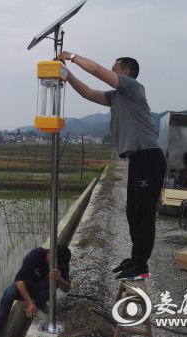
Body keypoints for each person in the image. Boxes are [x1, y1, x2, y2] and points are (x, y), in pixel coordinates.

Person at [56, 52, 167, 280]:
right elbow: (87, 93)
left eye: (114, 69)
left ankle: (141, 267)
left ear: (126, 72)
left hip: (149, 158)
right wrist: (64, 73)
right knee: (132, 213)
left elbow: (96, 70)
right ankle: (135, 260)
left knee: (143, 216)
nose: (111, 71)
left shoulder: (133, 87)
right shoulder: (117, 96)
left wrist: (71, 56)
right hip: (138, 160)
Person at [0, 245, 71, 336]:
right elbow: (19, 281)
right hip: (29, 285)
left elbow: (66, 289)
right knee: (9, 292)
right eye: (55, 263)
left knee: (51, 282)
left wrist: (59, 279)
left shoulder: (62, 262)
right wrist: (30, 303)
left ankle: (39, 303)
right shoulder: (35, 256)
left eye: (59, 265)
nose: (56, 266)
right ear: (49, 254)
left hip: (44, 290)